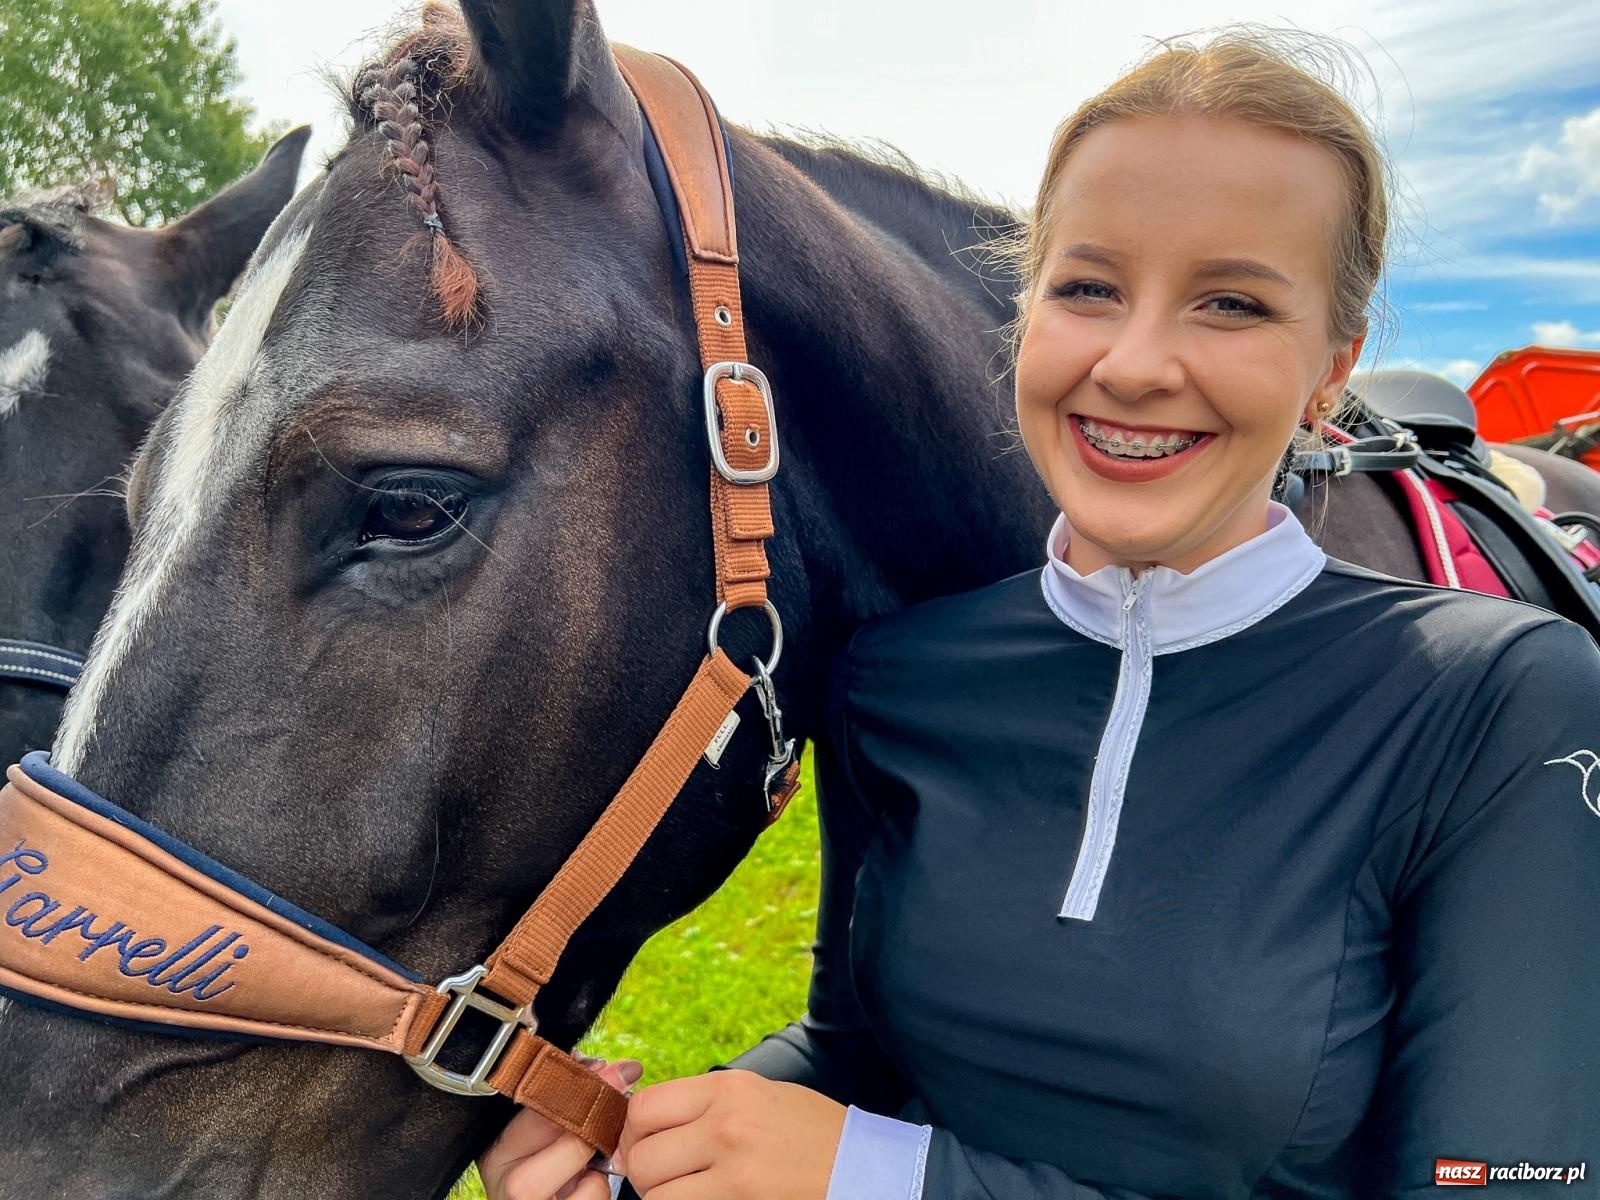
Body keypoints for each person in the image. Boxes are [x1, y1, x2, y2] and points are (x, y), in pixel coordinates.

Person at [480, 30, 1600, 1200]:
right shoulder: (893, 679)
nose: (1132, 362)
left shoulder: (1495, 696)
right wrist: (649, 1154)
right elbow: (857, 1053)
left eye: (1230, 302)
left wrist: (885, 1181)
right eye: (1088, 288)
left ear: (1331, 365)